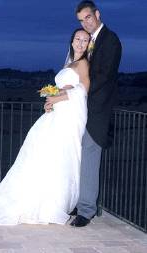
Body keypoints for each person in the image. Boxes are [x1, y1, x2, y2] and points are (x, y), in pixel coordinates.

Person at [0, 28, 90, 225]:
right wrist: (51, 100)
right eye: (78, 39)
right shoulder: (70, 62)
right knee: (43, 154)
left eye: (85, 40)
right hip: (59, 113)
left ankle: (51, 205)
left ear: (89, 44)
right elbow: (67, 88)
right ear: (72, 41)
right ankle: (38, 199)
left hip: (69, 117)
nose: (81, 43)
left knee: (59, 156)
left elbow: (83, 90)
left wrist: (57, 97)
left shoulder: (83, 64)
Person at [46, 1, 122, 227]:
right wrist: (61, 97)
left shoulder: (111, 40)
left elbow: (103, 76)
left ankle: (86, 210)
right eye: (81, 20)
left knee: (89, 159)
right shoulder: (86, 41)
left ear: (97, 14)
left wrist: (72, 91)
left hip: (96, 112)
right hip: (76, 111)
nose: (85, 23)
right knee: (72, 157)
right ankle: (72, 201)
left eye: (88, 17)